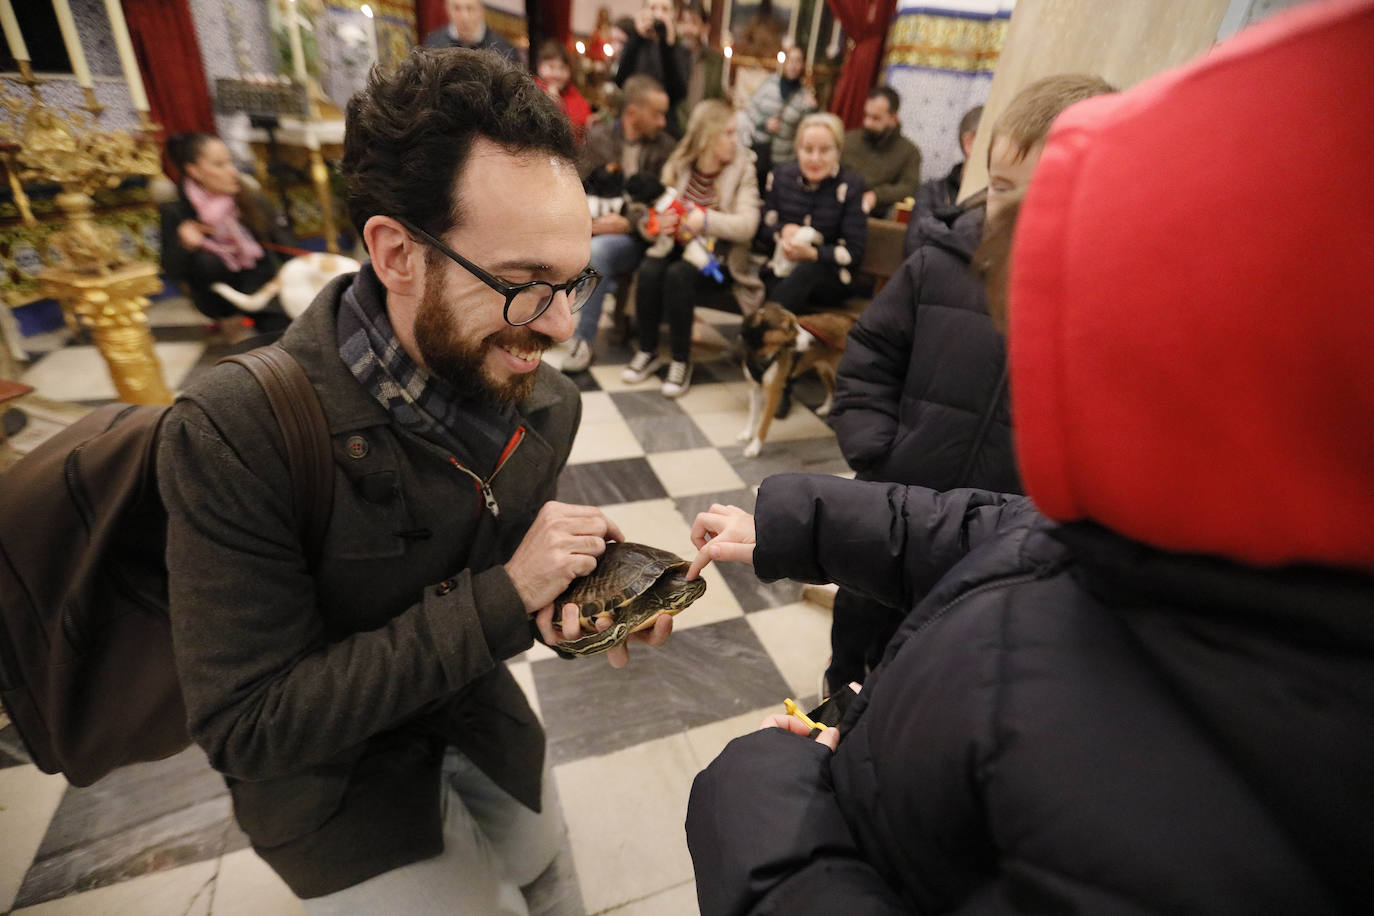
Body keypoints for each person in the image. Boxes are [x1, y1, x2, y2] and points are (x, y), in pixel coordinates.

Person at [682, 0, 1374, 911]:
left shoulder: (1204, 794)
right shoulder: (1172, 528)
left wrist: (764, 800)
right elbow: (1004, 537)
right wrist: (801, 518)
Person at [157, 49, 673, 915]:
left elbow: (498, 575)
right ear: (397, 254)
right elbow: (248, 725)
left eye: (573, 281)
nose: (559, 327)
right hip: (327, 778)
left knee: (541, 866)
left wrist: (576, 601)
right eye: (524, 285)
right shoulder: (236, 432)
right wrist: (504, 597)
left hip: (469, 711)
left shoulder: (547, 404)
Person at [823, 74, 1113, 697]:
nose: (1015, 211)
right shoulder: (940, 263)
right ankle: (833, 703)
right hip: (895, 507)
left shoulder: (1098, 306)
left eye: (1047, 190)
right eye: (1003, 187)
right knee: (855, 637)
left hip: (992, 543)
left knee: (931, 670)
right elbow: (871, 352)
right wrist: (878, 451)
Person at [621, 100, 762, 397]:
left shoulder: (743, 168)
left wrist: (705, 219)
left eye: (735, 133)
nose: (734, 141)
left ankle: (680, 360)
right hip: (675, 246)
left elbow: (748, 225)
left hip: (718, 258)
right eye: (728, 133)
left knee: (678, 275)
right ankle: (647, 350)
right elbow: (648, 213)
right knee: (649, 269)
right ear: (707, 136)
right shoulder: (679, 165)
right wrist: (656, 223)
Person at [564, 74, 676, 374]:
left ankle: (582, 340)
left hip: (644, 236)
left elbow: (665, 199)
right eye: (657, 114)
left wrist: (627, 222)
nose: (663, 122)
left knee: (599, 252)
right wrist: (590, 223)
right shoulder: (599, 138)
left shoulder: (666, 148)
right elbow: (575, 186)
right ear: (633, 112)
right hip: (594, 223)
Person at [159, 132, 293, 341]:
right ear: (194, 171)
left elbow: (284, 242)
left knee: (285, 336)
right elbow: (172, 270)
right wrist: (185, 246)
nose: (232, 171)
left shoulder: (247, 195)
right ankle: (230, 319)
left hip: (261, 285)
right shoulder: (177, 211)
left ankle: (260, 316)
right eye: (219, 165)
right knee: (207, 260)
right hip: (217, 296)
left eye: (230, 162)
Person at [742, 45, 817, 190]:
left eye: (798, 61)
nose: (793, 65)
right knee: (753, 189)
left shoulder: (804, 96)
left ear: (803, 65)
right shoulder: (770, 83)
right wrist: (764, 123)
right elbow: (751, 108)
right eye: (790, 60)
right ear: (784, 62)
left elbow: (807, 130)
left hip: (784, 159)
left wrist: (812, 109)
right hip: (759, 150)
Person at [841, 86, 922, 218]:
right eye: (866, 116)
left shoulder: (909, 152)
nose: (868, 123)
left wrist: (877, 195)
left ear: (893, 117)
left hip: (878, 216)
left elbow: (909, 187)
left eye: (876, 118)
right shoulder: (848, 140)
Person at [615, 0, 687, 134]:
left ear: (674, 14)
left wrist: (667, 44)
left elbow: (678, 93)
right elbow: (620, 81)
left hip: (664, 127)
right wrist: (637, 36)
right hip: (632, 124)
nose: (658, 14)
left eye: (665, 9)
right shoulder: (634, 43)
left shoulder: (679, 49)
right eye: (653, 8)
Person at [675, 2, 726, 129]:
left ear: (705, 28)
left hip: (701, 127)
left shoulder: (715, 60)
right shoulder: (672, 54)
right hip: (674, 127)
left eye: (693, 23)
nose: (687, 29)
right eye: (683, 22)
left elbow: (716, 96)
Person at [422, 0, 519, 62]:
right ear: (447, 10)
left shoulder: (503, 48)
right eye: (457, 8)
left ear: (481, 10)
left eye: (470, 8)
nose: (464, 16)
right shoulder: (433, 43)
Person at [535, 40, 592, 138]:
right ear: (539, 67)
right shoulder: (531, 89)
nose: (557, 74)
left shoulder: (573, 95)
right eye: (551, 67)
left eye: (562, 68)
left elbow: (580, 127)